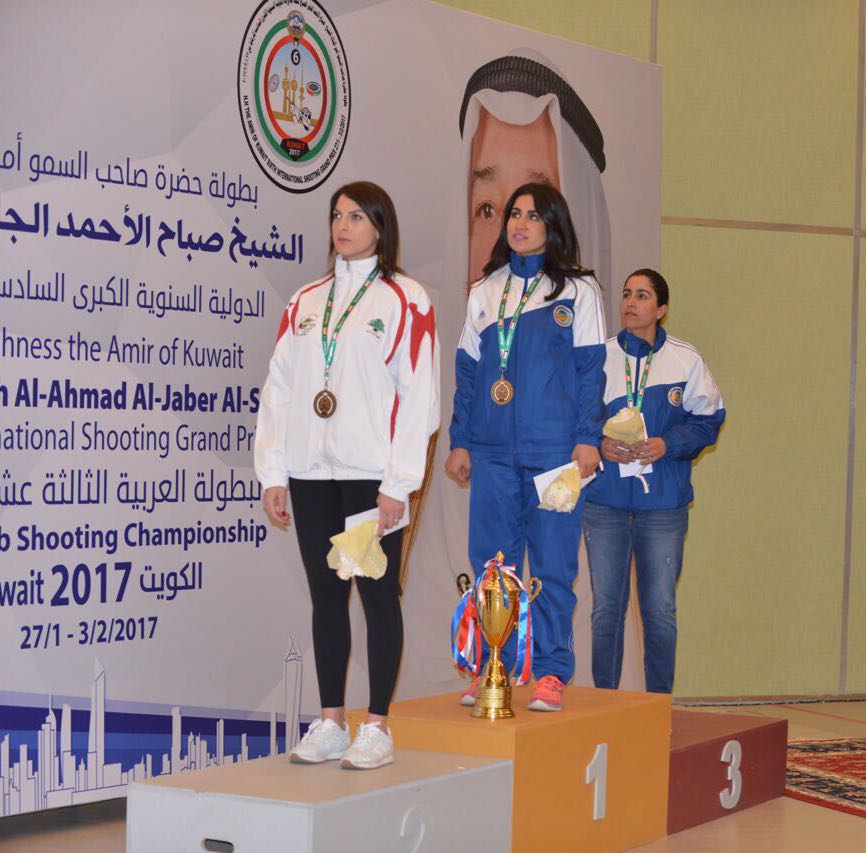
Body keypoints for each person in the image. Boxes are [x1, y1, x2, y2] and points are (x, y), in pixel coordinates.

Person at [255, 181, 440, 769]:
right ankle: (332, 720)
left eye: (357, 216)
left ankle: (378, 725)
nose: (343, 225)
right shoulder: (305, 301)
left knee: (378, 597)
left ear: (381, 226)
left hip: (370, 476)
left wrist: (397, 483)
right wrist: (274, 471)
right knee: (327, 598)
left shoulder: (406, 299)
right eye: (337, 215)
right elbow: (278, 390)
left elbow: (420, 397)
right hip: (310, 474)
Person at [445, 182, 605, 712]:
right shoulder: (485, 289)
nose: (520, 223)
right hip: (492, 452)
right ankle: (493, 665)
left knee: (553, 566)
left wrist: (587, 437)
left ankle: (552, 672)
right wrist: (461, 441)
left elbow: (590, 370)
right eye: (515, 214)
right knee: (493, 566)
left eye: (534, 216)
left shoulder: (578, 290)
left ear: (553, 225)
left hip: (556, 452)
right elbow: (468, 375)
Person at [582, 269, 725, 694]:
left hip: (663, 505)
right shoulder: (599, 356)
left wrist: (669, 443)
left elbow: (709, 420)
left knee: (659, 610)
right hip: (605, 502)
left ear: (661, 309)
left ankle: (658, 706)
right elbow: (573, 418)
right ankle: (605, 705)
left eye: (642, 296)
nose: (631, 302)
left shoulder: (685, 359)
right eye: (627, 294)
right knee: (606, 610)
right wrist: (599, 443)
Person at [459, 51, 614, 331]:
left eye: (536, 213)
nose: (511, 232)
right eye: (487, 210)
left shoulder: (583, 296)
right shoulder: (481, 296)